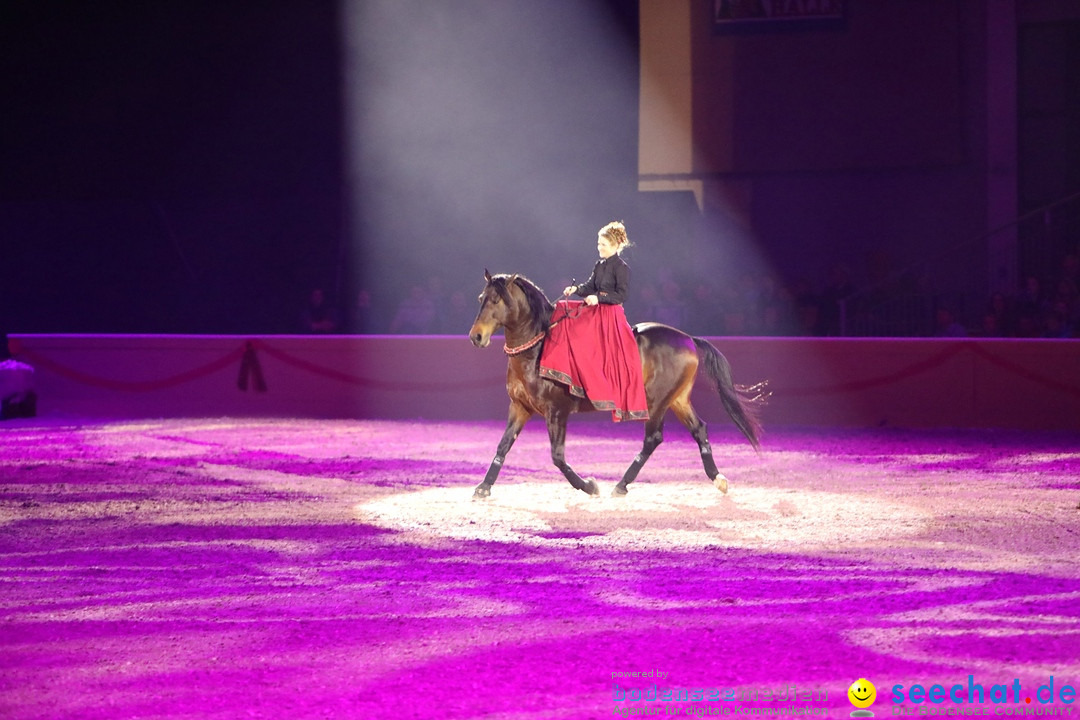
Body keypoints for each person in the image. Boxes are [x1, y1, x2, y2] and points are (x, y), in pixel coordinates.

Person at [538, 221, 649, 421]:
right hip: (595, 309)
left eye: (603, 245)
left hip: (610, 314)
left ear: (615, 246)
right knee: (563, 308)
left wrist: (599, 298)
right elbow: (590, 285)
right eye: (599, 244)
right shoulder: (599, 265)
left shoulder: (621, 268)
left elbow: (621, 296)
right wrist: (576, 290)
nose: (599, 248)